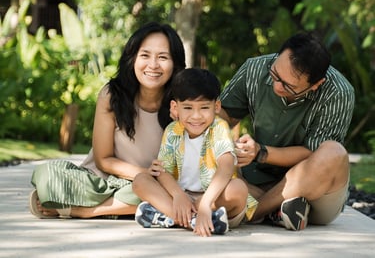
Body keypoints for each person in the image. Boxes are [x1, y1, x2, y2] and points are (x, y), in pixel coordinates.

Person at [29, 22, 186, 219]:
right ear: (132, 59)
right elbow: (104, 160)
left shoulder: (183, 102)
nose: (153, 65)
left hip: (153, 185)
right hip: (103, 182)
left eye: (163, 57)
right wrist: (144, 172)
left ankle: (84, 211)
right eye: (145, 55)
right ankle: (143, 207)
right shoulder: (112, 95)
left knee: (169, 190)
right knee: (48, 174)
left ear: (175, 64)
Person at [219, 31, 355, 231]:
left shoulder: (339, 92)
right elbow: (221, 114)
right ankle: (279, 211)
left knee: (334, 152)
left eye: (288, 86)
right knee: (203, 126)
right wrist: (228, 146)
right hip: (253, 180)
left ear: (316, 85)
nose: (276, 86)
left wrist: (260, 152)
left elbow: (313, 154)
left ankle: (253, 212)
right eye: (275, 74)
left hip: (314, 192)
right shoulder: (254, 69)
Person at [132, 68, 258, 237]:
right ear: (175, 108)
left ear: (217, 106)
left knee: (238, 189)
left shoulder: (219, 128)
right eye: (188, 108)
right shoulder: (172, 131)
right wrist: (178, 195)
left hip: (214, 200)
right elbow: (162, 172)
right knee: (141, 180)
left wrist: (206, 203)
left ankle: (172, 217)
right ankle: (197, 221)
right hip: (181, 198)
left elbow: (226, 167)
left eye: (204, 107)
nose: (196, 116)